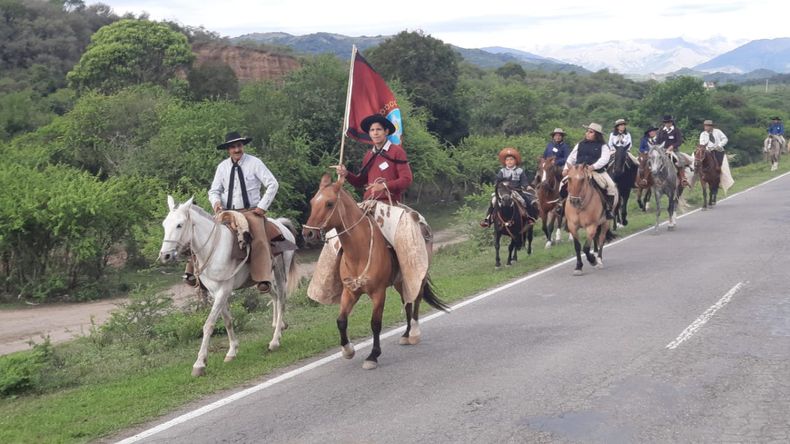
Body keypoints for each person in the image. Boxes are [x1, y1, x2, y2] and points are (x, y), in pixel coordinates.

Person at [183, 131, 279, 293]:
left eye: (239, 146)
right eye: (233, 147)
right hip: (227, 212)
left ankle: (263, 277)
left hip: (250, 211)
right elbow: (214, 190)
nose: (236, 150)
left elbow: (272, 184)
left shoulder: (255, 163)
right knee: (204, 233)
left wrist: (262, 206)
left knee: (259, 239)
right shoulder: (222, 167)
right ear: (228, 149)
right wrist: (216, 203)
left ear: (243, 146)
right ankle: (193, 271)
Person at [335, 114, 412, 204]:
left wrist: (384, 186)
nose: (375, 133)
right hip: (368, 202)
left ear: (386, 132)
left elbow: (406, 179)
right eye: (372, 130)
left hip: (390, 203)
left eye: (378, 129)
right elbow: (360, 182)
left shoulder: (397, 151)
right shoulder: (368, 155)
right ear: (369, 133)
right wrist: (346, 174)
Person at [563, 123, 618, 219]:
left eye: (591, 132)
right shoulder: (580, 144)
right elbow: (571, 157)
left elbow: (605, 158)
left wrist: (594, 166)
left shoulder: (603, 146)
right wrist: (566, 169)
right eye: (587, 131)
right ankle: (561, 206)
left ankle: (608, 209)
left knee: (611, 186)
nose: (587, 133)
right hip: (579, 171)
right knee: (562, 184)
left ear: (597, 134)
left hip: (597, 171)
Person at [480, 147, 533, 227]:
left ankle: (528, 217)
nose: (509, 162)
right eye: (507, 160)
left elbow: (524, 182)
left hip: (516, 191)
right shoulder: (502, 171)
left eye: (511, 159)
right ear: (505, 162)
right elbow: (497, 182)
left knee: (525, 201)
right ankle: (488, 219)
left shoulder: (520, 171)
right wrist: (499, 186)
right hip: (503, 191)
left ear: (515, 161)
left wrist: (527, 187)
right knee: (493, 200)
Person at [655, 114, 689, 187]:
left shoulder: (676, 130)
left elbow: (679, 141)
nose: (668, 124)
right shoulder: (660, 131)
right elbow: (657, 141)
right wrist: (658, 148)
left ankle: (683, 177)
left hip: (673, 150)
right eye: (666, 122)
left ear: (671, 122)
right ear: (664, 123)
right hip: (662, 150)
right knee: (654, 160)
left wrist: (672, 146)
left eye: (669, 122)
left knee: (680, 159)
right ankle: (655, 178)